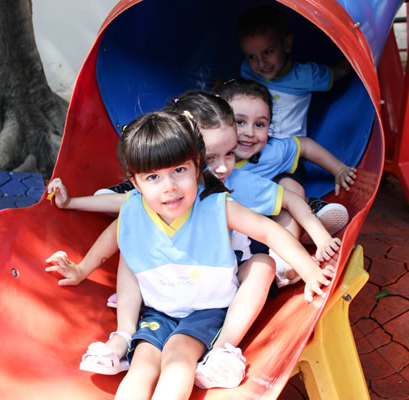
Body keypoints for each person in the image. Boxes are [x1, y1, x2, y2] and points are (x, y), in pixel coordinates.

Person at [46, 111, 335, 398]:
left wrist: (310, 271)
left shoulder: (214, 205)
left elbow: (269, 232)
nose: (169, 186)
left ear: (197, 167)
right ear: (136, 183)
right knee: (142, 364)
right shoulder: (134, 209)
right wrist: (81, 269)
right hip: (160, 308)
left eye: (179, 171)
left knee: (178, 356)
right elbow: (112, 238)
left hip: (208, 308)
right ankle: (123, 336)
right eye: (153, 177)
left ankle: (223, 350)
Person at [214, 77, 357, 242]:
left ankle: (287, 253)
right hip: (244, 224)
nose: (250, 132)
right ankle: (307, 221)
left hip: (273, 213)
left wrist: (339, 169)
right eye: (240, 122)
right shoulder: (208, 160)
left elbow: (305, 146)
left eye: (259, 124)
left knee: (290, 187)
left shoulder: (271, 152)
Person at [236, 4, 352, 139]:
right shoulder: (247, 69)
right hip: (249, 143)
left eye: (268, 52)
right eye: (251, 56)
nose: (261, 63)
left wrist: (362, 53)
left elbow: (341, 71)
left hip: (288, 151)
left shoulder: (306, 76)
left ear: (287, 44)